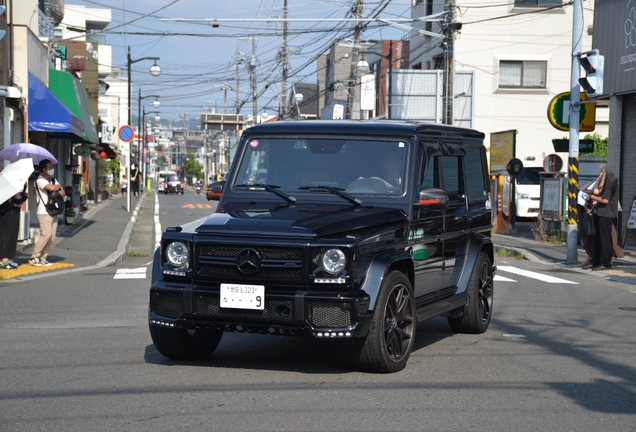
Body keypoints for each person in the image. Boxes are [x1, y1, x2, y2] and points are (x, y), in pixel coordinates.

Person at [29, 159, 66, 267]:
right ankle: (34, 256)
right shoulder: (39, 180)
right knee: (46, 234)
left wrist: (56, 187)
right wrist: (57, 187)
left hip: (54, 210)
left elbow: (63, 193)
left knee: (52, 236)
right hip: (44, 211)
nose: (52, 169)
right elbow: (50, 188)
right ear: (44, 170)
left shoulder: (53, 179)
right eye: (50, 167)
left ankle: (42, 257)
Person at [584, 166, 619, 270]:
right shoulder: (604, 180)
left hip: (606, 213)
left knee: (604, 238)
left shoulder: (610, 180)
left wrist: (592, 197)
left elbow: (605, 200)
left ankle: (605, 262)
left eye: (601, 172)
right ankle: (595, 261)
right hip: (599, 212)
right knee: (596, 238)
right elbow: (596, 192)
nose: (599, 173)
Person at [0, 186, 28, 269]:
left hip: (2, 213)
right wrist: (25, 195)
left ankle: (2, 260)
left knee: (2, 237)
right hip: (11, 213)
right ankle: (6, 261)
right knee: (11, 236)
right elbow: (18, 200)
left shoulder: (3, 184)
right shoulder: (13, 186)